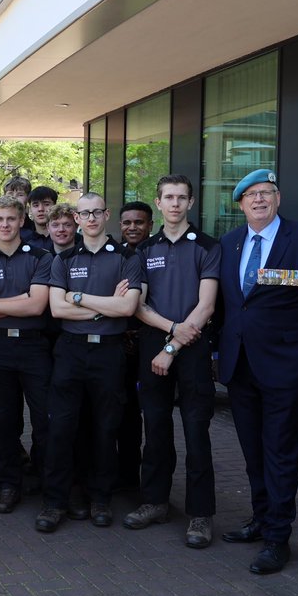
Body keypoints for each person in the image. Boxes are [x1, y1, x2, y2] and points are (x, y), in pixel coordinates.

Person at [218, 168, 298, 574]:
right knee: (253, 452)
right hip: (241, 367)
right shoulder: (230, 243)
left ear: (278, 198)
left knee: (281, 453)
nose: (258, 200)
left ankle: (277, 537)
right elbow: (231, 306)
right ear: (240, 204)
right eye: (250, 195)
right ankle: (259, 519)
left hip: (287, 368)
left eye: (266, 193)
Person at [124, 176, 220, 548]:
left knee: (197, 433)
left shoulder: (207, 247)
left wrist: (174, 345)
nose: (176, 204)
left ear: (191, 203)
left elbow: (207, 305)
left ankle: (200, 514)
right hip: (155, 344)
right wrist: (172, 332)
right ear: (158, 202)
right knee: (157, 429)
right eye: (169, 197)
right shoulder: (142, 250)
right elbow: (139, 305)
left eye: (182, 197)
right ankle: (154, 502)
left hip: (192, 349)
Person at [39, 193, 142, 532]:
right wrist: (107, 305)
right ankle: (56, 502)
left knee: (105, 428)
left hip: (109, 353)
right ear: (78, 219)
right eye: (85, 213)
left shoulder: (127, 256)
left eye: (97, 211)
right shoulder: (64, 258)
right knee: (61, 428)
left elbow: (127, 309)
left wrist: (79, 297)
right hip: (70, 350)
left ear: (107, 214)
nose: (92, 218)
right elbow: (57, 308)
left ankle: (100, 499)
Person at [0, 196, 52, 514]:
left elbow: (37, 306)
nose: (5, 224)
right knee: (3, 420)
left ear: (22, 222)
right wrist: (17, 302)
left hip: (34, 347)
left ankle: (45, 480)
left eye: (11, 219)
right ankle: (9, 484)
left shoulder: (40, 257)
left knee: (44, 418)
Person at [116, 200, 154, 490]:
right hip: (116, 347)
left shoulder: (155, 253)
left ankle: (135, 479)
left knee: (142, 415)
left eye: (138, 222)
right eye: (127, 222)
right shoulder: (113, 256)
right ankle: (118, 474)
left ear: (149, 225)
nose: (132, 227)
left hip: (150, 345)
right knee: (117, 411)